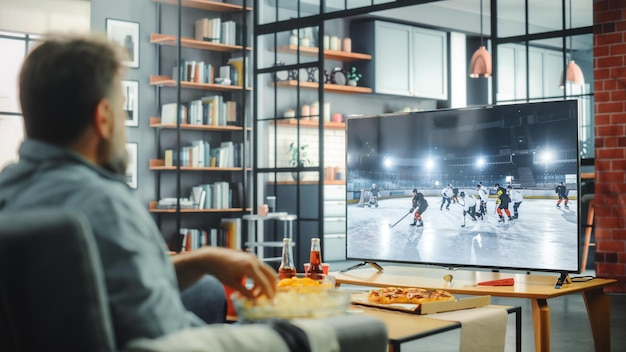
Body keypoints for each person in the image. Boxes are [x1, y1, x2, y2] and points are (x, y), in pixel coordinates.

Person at [0, 34, 334, 351]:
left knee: (204, 289)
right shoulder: (105, 205)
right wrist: (296, 337)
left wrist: (205, 260)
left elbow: (101, 284)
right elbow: (170, 339)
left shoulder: (10, 190)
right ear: (103, 118)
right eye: (121, 110)